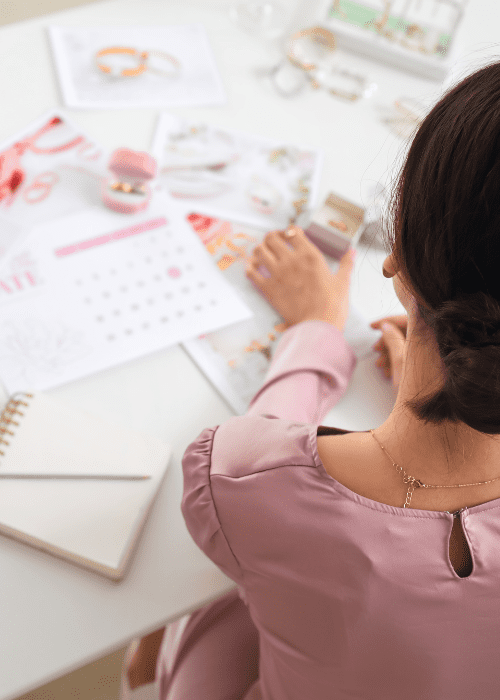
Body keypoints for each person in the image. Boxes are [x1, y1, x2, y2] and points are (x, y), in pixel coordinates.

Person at [122, 59, 500, 699]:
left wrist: (317, 331)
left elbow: (257, 453)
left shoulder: (243, 481)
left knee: (203, 610)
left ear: (396, 246)